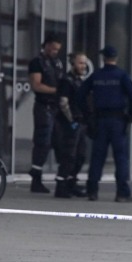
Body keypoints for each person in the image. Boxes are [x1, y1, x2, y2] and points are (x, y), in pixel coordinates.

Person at [78, 45, 132, 202]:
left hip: (100, 120)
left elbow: (81, 95)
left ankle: (92, 191)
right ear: (116, 58)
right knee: (121, 157)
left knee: (97, 157)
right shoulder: (122, 76)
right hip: (118, 121)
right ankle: (122, 193)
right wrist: (130, 115)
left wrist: (87, 115)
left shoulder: (96, 76)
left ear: (103, 58)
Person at [27, 35, 64, 193]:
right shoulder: (37, 62)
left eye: (58, 49)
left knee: (60, 142)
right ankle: (36, 179)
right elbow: (36, 85)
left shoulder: (57, 62)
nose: (55, 51)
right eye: (54, 48)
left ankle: (63, 180)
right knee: (42, 142)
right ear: (47, 46)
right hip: (44, 107)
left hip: (56, 108)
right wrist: (57, 91)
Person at [52, 51, 90, 198]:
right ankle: (61, 186)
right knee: (69, 155)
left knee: (80, 156)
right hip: (70, 124)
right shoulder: (67, 81)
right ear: (73, 63)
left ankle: (71, 182)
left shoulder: (79, 80)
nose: (83, 65)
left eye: (84, 63)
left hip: (79, 123)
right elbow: (63, 103)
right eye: (80, 63)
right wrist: (71, 121)